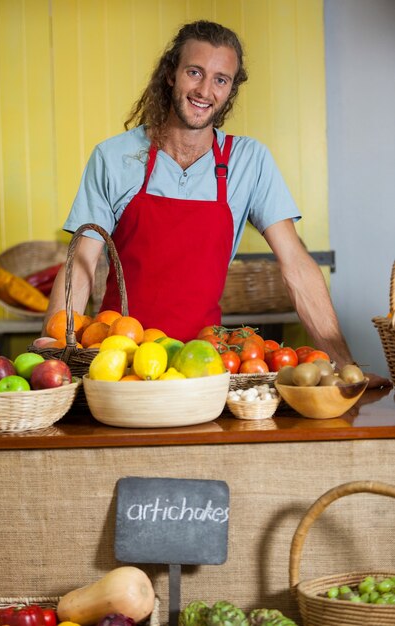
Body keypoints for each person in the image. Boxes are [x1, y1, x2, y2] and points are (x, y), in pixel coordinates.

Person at [43, 20, 390, 388]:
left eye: (221, 79)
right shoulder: (114, 156)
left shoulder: (248, 161)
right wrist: (55, 360)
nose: (205, 90)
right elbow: (81, 263)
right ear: (170, 75)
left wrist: (344, 365)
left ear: (230, 91)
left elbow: (297, 267)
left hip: (206, 364)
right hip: (120, 361)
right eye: (195, 72)